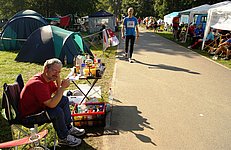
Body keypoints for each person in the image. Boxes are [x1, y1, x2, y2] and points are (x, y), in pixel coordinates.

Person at [18, 58, 85, 147]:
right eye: (54, 71)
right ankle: (63, 138)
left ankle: (68, 127)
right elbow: (52, 104)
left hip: (40, 109)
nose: (56, 74)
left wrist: (58, 80)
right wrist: (63, 87)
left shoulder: (47, 78)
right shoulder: (38, 84)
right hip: (29, 117)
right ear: (46, 69)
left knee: (63, 100)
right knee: (56, 111)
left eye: (59, 72)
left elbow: (57, 94)